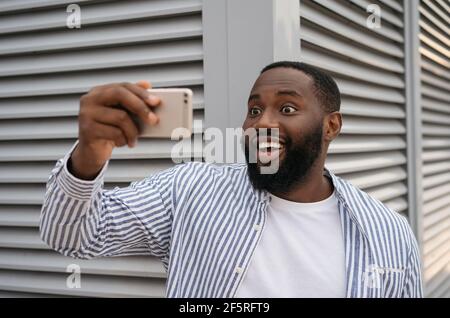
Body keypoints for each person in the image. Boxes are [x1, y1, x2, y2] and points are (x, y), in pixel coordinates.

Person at [40, 61, 423, 298]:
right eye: (254, 109)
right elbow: (70, 236)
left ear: (331, 126)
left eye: (287, 108)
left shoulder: (389, 233)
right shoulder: (190, 190)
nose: (262, 123)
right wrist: (89, 154)